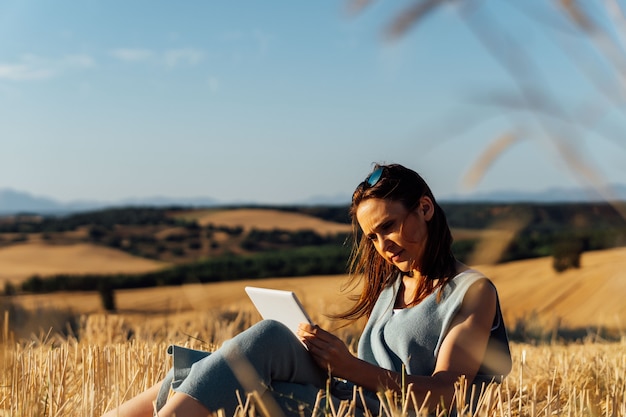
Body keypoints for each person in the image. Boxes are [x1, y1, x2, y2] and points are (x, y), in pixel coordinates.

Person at [101, 163, 512, 417]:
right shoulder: (394, 285)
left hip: (381, 412)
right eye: (372, 237)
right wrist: (331, 361)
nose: (382, 245)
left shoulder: (471, 291)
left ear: (424, 208)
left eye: (388, 226)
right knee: (238, 358)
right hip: (348, 396)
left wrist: (350, 367)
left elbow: (445, 396)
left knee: (234, 378)